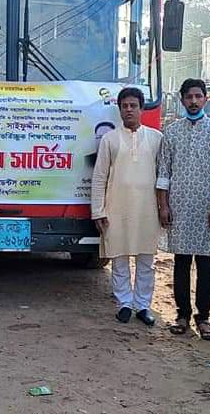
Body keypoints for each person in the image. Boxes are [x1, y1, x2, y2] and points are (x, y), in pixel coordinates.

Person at [156, 78, 210, 340]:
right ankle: (182, 314)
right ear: (182, 99)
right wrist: (163, 205)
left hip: (206, 208)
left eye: (199, 96)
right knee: (181, 262)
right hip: (178, 206)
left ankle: (204, 317)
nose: (194, 101)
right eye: (189, 97)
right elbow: (163, 172)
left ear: (206, 98)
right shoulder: (172, 131)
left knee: (206, 264)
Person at [91, 87, 162, 326]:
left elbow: (163, 176)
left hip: (147, 209)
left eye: (133, 105)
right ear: (119, 110)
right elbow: (100, 177)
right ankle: (124, 303)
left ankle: (143, 306)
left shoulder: (156, 138)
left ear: (142, 109)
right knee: (119, 258)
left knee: (146, 261)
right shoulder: (110, 139)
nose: (129, 110)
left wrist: (164, 208)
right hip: (116, 208)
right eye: (124, 106)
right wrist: (98, 211)